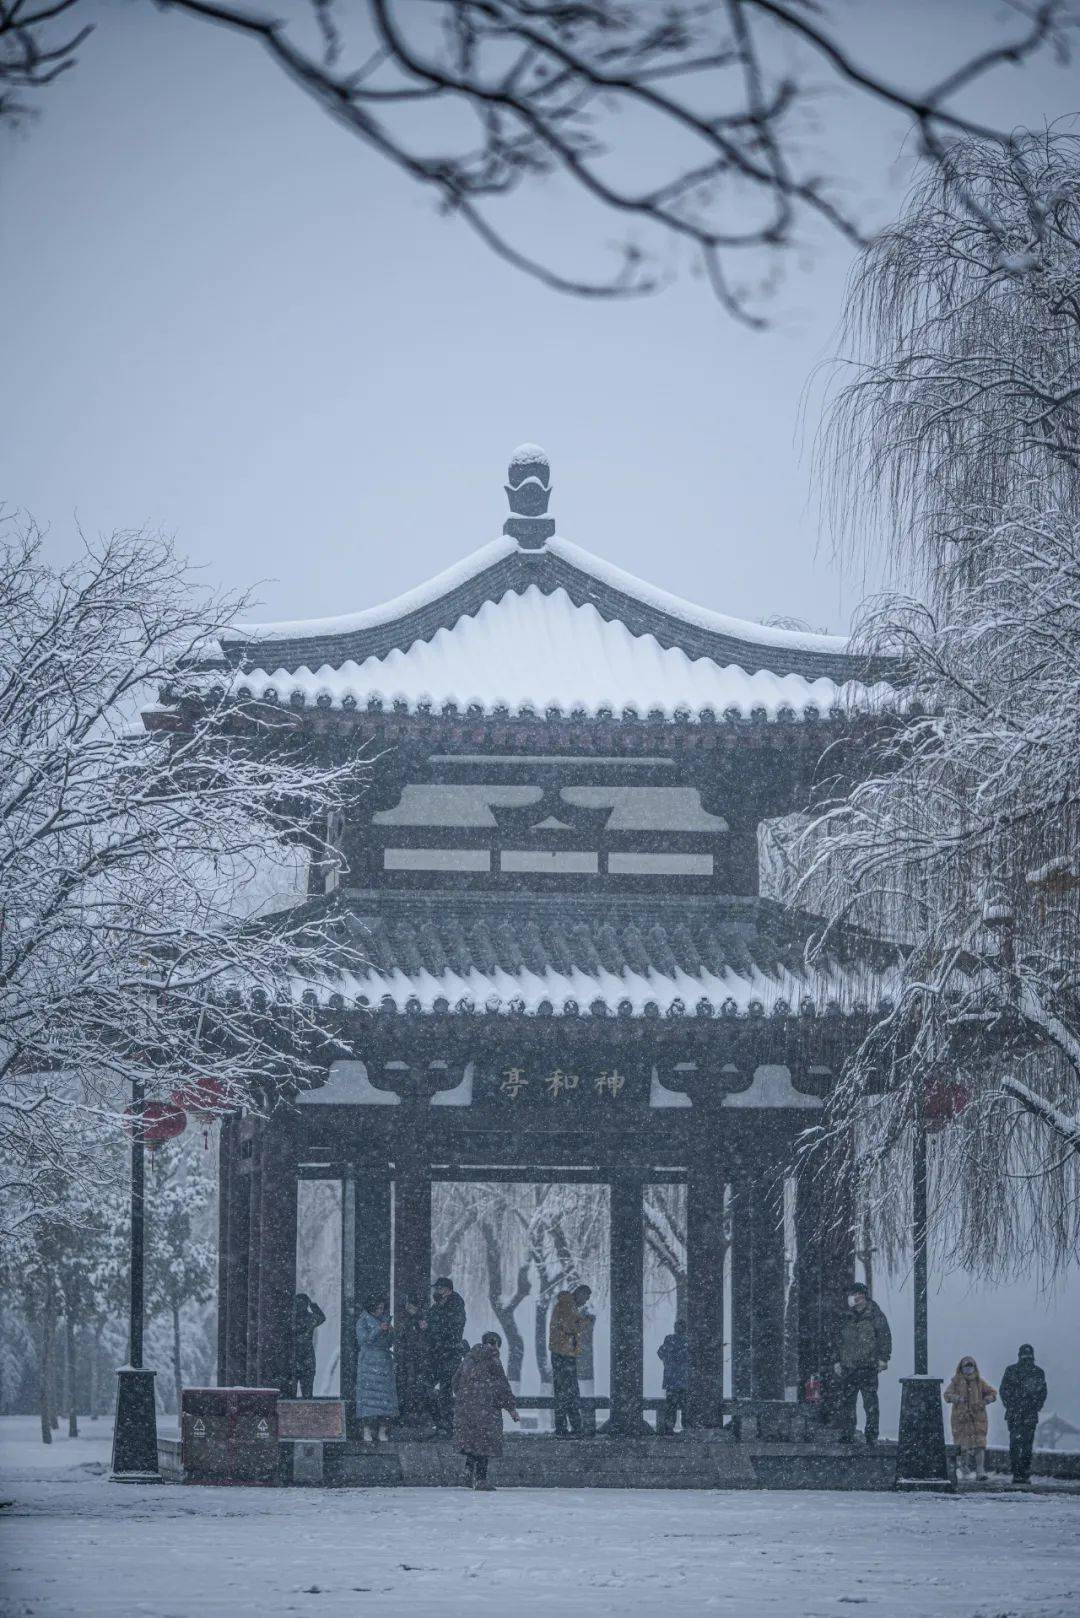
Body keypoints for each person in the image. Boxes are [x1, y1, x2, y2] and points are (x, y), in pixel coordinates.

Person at [452, 1330, 520, 1491]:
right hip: (486, 1408)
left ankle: (468, 1472)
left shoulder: (468, 1358)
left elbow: (455, 1381)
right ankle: (481, 1479)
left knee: (471, 1440)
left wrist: (465, 1396)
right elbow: (502, 1387)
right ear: (496, 1344)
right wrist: (511, 1409)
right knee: (484, 1441)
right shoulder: (493, 1360)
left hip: (466, 1408)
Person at [834, 1281, 892, 1446]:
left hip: (868, 1366)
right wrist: (837, 1361)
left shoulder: (875, 1315)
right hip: (849, 1367)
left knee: (870, 1403)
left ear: (862, 1296)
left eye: (855, 1295)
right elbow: (837, 1340)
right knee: (847, 1403)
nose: (853, 1299)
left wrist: (883, 1358)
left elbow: (884, 1337)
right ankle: (847, 1434)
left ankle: (871, 1435)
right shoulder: (845, 1316)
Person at [1000, 1343, 1048, 1485]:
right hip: (1023, 1414)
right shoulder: (1036, 1372)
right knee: (1024, 1444)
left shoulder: (1014, 1370)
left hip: (1020, 1413)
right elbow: (1042, 1393)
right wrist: (1034, 1406)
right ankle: (1022, 1473)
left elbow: (1004, 1390)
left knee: (1018, 1444)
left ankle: (1019, 1473)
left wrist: (1012, 1405)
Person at [944, 1355, 997, 1481]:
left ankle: (980, 1471)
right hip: (961, 1419)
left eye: (970, 1366)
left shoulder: (980, 1382)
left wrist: (985, 1401)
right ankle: (964, 1468)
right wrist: (958, 1399)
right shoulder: (955, 1382)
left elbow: (993, 1393)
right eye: (966, 1366)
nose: (968, 1368)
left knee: (979, 1444)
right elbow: (947, 1395)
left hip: (977, 1418)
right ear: (961, 1368)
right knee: (962, 1446)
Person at [548, 1283, 592, 1437]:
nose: (585, 1302)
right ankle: (572, 1428)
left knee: (564, 1392)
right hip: (563, 1354)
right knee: (569, 1392)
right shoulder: (567, 1305)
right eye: (585, 1298)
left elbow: (570, 1324)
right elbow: (570, 1327)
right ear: (579, 1294)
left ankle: (565, 1427)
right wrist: (586, 1322)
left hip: (562, 1353)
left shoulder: (566, 1305)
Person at [428, 1276, 467, 1438]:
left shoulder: (456, 1307)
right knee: (427, 1388)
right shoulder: (436, 1308)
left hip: (450, 1354)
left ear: (448, 1291)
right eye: (435, 1289)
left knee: (446, 1390)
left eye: (440, 1289)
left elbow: (451, 1329)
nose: (437, 1292)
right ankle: (442, 1424)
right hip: (437, 1354)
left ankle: (449, 1426)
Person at [355, 1296, 398, 1443]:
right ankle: (366, 1430)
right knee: (368, 1399)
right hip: (369, 1362)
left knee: (384, 1399)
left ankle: (382, 1430)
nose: (381, 1310)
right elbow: (363, 1340)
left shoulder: (384, 1320)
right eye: (378, 1308)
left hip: (384, 1361)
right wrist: (378, 1330)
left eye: (382, 1308)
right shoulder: (363, 1321)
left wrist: (391, 1332)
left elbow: (390, 1342)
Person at [396, 1296, 434, 1432]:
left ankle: (414, 1417)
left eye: (411, 1306)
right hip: (413, 1359)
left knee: (414, 1387)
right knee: (414, 1388)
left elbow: (404, 1340)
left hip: (414, 1359)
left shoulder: (417, 1320)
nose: (409, 1309)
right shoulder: (411, 1320)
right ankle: (414, 1417)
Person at [657, 1318, 689, 1435]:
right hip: (685, 1380)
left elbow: (660, 1352)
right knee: (685, 1405)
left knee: (671, 1406)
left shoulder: (669, 1339)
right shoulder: (688, 1341)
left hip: (671, 1379)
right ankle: (687, 1428)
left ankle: (668, 1428)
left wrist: (668, 1362)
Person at [292, 1292, 326, 1399]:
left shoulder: (291, 1318)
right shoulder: (310, 1318)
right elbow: (322, 1317)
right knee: (307, 1393)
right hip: (307, 1357)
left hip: (293, 1357)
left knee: (289, 1394)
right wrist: (312, 1305)